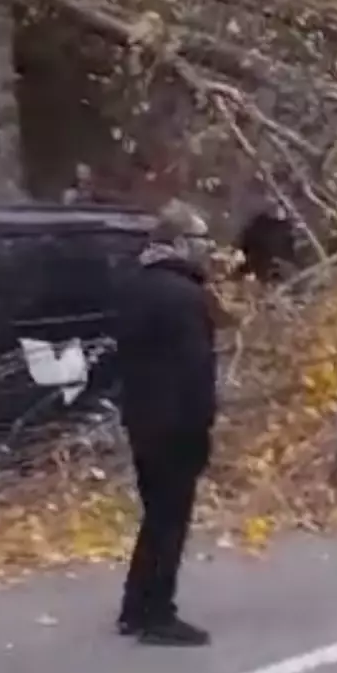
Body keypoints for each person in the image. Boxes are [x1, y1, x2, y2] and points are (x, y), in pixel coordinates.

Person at [114, 200, 217, 646]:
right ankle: (159, 614)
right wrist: (202, 427)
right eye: (200, 240)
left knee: (155, 515)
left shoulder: (135, 287)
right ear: (177, 242)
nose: (207, 249)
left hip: (141, 419)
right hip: (176, 426)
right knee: (171, 520)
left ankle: (134, 607)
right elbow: (195, 371)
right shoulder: (184, 297)